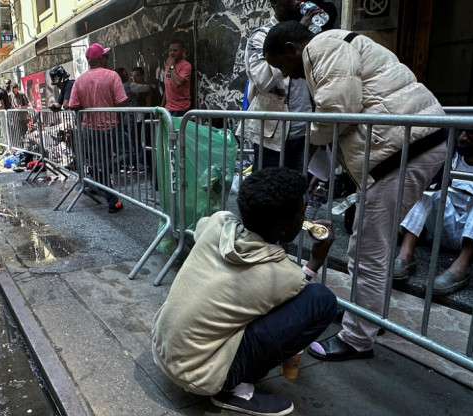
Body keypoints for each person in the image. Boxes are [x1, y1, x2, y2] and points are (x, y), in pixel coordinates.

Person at [263, 22, 448, 361]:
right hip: (407, 147)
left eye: (282, 65)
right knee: (368, 245)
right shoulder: (335, 45)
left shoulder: (322, 47)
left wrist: (313, 139)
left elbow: (338, 113)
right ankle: (366, 317)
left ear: (292, 48)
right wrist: (325, 166)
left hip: (403, 151)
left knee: (366, 251)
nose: (289, 75)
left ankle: (358, 338)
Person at [152, 167, 337, 416]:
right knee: (321, 301)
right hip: (199, 376)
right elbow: (298, 292)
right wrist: (315, 261)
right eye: (301, 213)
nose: (305, 218)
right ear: (283, 228)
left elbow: (203, 228)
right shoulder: (283, 275)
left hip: (164, 351)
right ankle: (232, 386)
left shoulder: (218, 222)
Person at [394, 130, 473, 295]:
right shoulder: (451, 151)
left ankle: (461, 267)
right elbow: (428, 182)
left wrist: (450, 180)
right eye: (460, 132)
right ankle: (405, 256)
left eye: (472, 133)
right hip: (450, 230)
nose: (462, 137)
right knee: (428, 192)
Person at [238, 0, 336, 172]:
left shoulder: (311, 35)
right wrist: (293, 39)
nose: (298, 2)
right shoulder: (261, 36)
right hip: (272, 136)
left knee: (298, 191)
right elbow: (262, 80)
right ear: (276, 3)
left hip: (305, 132)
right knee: (269, 190)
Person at [68, 42, 128, 213]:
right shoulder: (112, 76)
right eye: (106, 56)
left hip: (90, 129)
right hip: (111, 127)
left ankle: (112, 199)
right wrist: (117, 117)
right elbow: (122, 101)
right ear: (100, 58)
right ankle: (105, 173)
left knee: (99, 163)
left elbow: (73, 105)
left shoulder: (80, 80)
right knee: (132, 153)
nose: (107, 59)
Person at [160, 39, 192, 117]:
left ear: (182, 51)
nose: (172, 53)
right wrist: (162, 106)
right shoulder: (168, 65)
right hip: (168, 108)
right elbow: (167, 87)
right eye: (170, 50)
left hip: (181, 109)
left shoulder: (186, 65)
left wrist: (171, 66)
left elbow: (178, 83)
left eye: (175, 50)